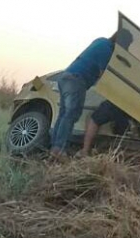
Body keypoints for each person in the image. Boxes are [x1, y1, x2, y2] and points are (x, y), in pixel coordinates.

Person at [49, 29, 133, 157]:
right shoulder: (107, 50)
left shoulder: (100, 41)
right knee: (71, 114)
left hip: (66, 76)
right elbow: (103, 75)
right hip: (77, 80)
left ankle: (55, 147)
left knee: (64, 114)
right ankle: (59, 150)